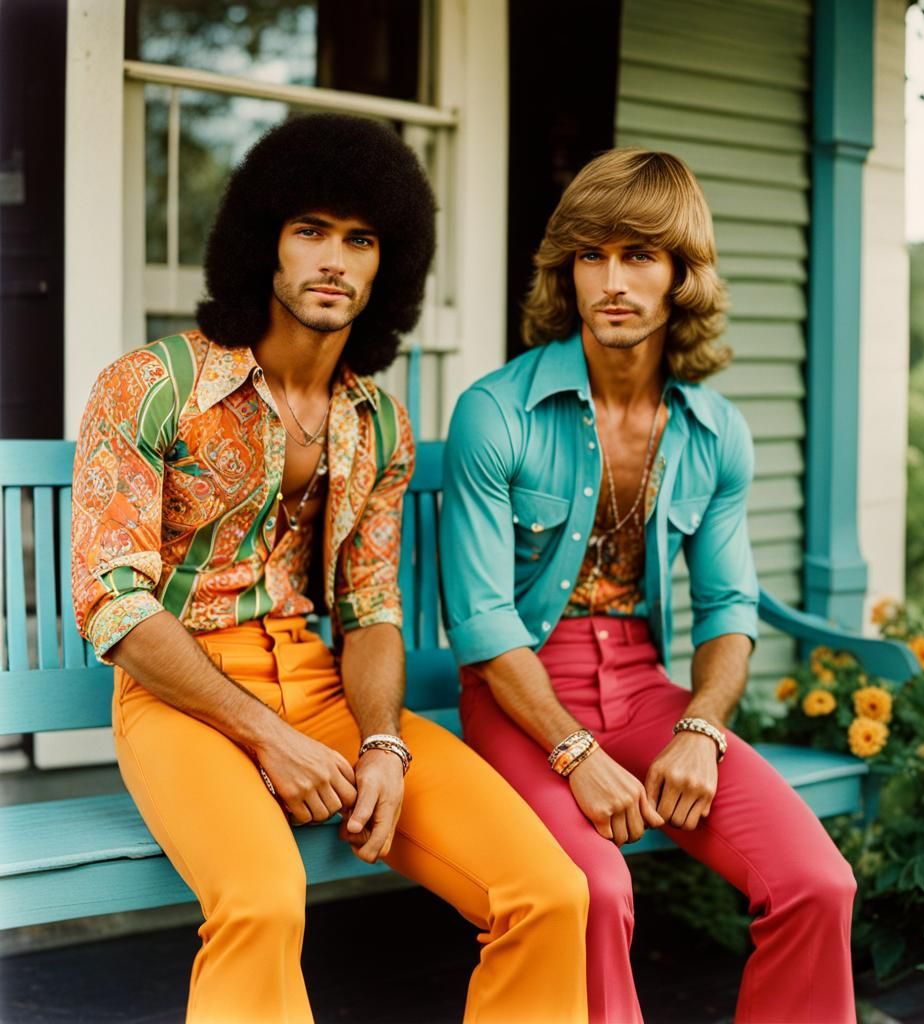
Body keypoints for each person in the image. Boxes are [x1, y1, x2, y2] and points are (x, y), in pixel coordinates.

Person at [71, 113, 588, 1024]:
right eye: (309, 229)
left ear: (389, 264)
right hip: (182, 694)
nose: (334, 259)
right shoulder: (150, 385)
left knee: (549, 891)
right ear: (261, 240)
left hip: (322, 689)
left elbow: (371, 606)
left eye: (361, 238)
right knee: (265, 904)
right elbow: (113, 604)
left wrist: (384, 741)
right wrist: (268, 739)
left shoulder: (378, 422)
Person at [440, 147, 858, 1024]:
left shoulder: (715, 432)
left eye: (638, 255)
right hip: (519, 693)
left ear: (681, 277)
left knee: (817, 882)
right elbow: (480, 620)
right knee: (595, 890)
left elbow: (728, 609)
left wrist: (702, 728)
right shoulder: (496, 410)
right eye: (592, 255)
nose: (612, 281)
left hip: (644, 689)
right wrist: (574, 752)